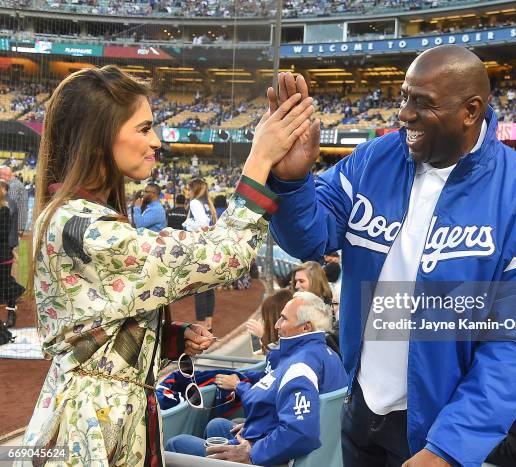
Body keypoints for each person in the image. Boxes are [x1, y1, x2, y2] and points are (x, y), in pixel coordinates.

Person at [266, 45, 516, 467]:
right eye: (404, 96)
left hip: (438, 431)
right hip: (362, 406)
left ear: (471, 110)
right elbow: (308, 239)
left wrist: (450, 446)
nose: (404, 113)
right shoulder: (374, 160)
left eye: (423, 103)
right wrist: (292, 181)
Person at [20, 65, 315, 466]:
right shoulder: (83, 227)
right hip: (91, 430)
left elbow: (96, 331)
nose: (156, 141)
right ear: (98, 138)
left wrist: (169, 338)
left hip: (98, 416)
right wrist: (259, 158)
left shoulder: (75, 216)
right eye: (143, 129)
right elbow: (225, 256)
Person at [165, 291, 347, 465]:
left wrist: (252, 453)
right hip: (299, 451)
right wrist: (263, 425)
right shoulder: (327, 354)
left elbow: (301, 432)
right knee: (217, 426)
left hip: (274, 459)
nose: (276, 325)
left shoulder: (300, 366)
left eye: (283, 318)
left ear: (306, 326)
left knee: (176, 444)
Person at [183, 178, 217, 331]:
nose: (188, 192)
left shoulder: (195, 203)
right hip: (209, 248)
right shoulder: (207, 203)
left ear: (194, 189)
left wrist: (188, 224)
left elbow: (203, 224)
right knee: (208, 289)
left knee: (200, 290)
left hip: (199, 249)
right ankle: (208, 326)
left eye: (189, 189)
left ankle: (202, 328)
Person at [0, 180, 23, 328]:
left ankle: (11, 314)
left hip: (2, 253)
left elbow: (3, 233)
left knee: (6, 284)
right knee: (5, 284)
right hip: (4, 251)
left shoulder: (5, 210)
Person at [245, 288, 293, 354]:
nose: (263, 322)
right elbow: (258, 353)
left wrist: (263, 336)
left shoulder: (291, 343)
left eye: (265, 319)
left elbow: (278, 358)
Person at [0, 166, 28, 234]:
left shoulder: (13, 186)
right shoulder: (15, 184)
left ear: (5, 175)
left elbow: (9, 206)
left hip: (13, 226)